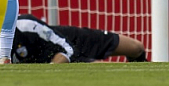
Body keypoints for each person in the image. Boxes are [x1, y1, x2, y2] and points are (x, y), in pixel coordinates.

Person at [12, 14, 147, 64]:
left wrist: (52, 67)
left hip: (72, 41)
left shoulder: (25, 25)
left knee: (136, 48)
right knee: (110, 72)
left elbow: (65, 47)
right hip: (63, 61)